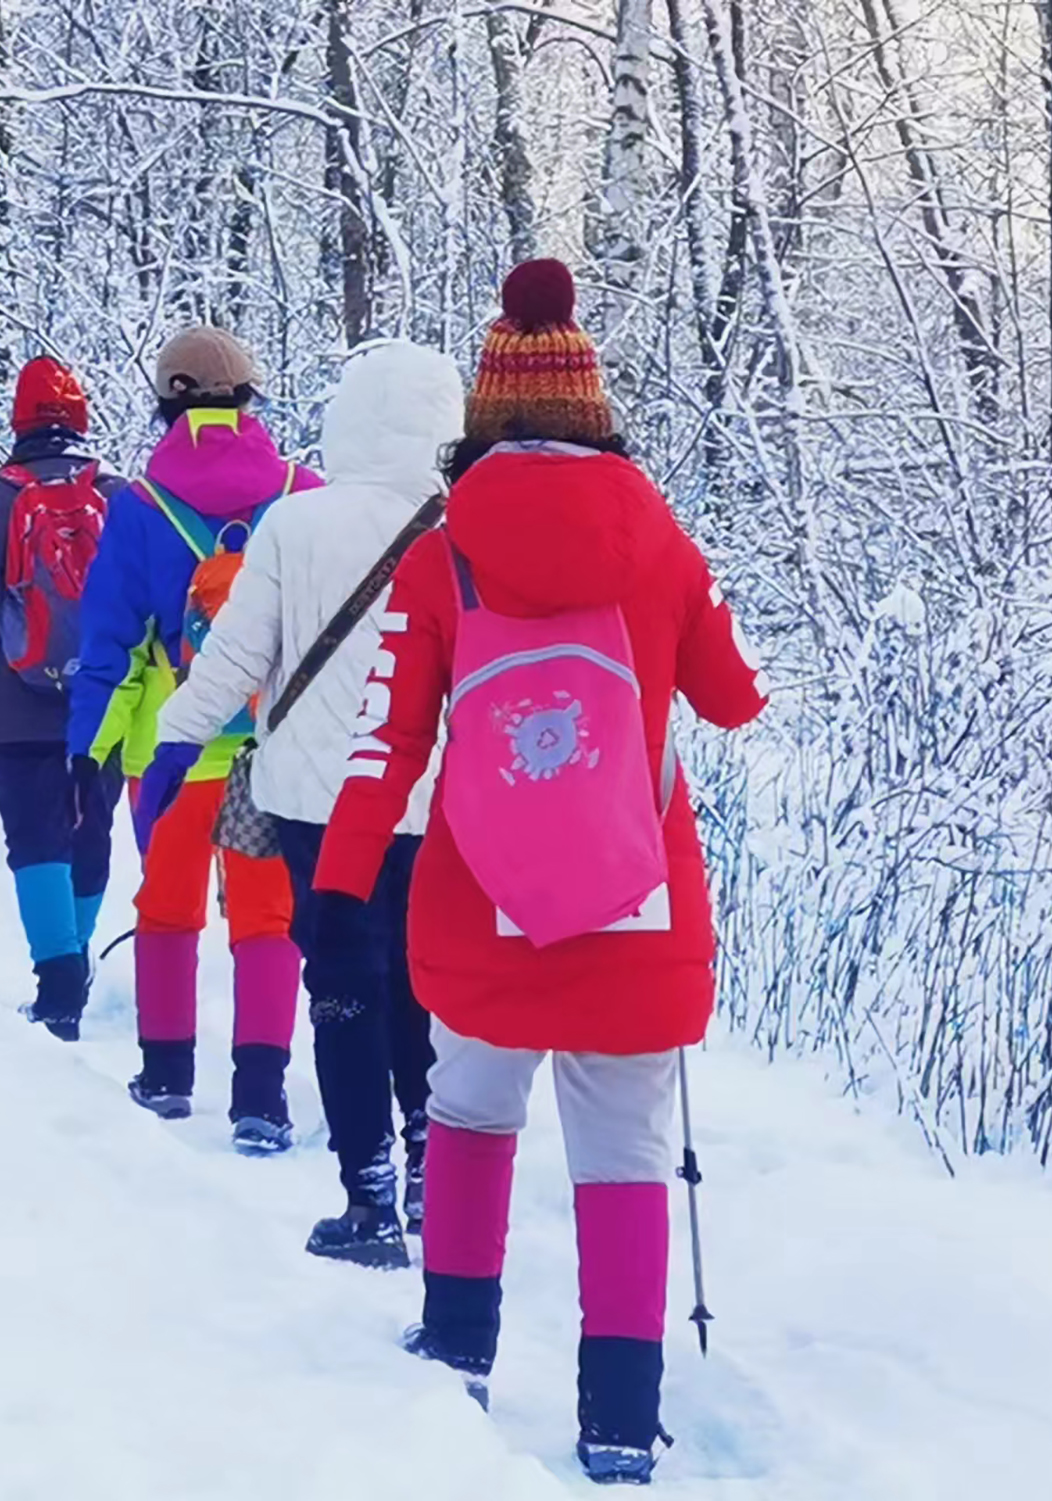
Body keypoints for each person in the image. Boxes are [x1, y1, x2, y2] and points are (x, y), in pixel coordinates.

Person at [312, 260, 768, 1484]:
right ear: (592, 408)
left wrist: (341, 881)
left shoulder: (440, 555)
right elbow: (731, 702)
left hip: (481, 901)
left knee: (466, 1114)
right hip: (639, 902)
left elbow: (385, 741)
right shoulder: (660, 542)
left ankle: (456, 1350)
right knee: (622, 1156)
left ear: (483, 415)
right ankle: (617, 1416)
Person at [144, 341, 463, 1265]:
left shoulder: (295, 524)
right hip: (428, 802)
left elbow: (237, 658)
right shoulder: (461, 526)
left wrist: (175, 740)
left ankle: (367, 1201)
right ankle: (428, 1165)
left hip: (318, 806)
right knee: (418, 987)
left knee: (343, 990)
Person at [66, 326, 320, 1154]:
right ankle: (261, 1098)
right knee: (268, 918)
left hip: (168, 750)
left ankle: (168, 1075)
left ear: (168, 404)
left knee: (168, 910)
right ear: (249, 400)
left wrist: (87, 748)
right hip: (272, 750)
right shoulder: (302, 493)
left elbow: (109, 639)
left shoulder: (139, 506)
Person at [0, 358, 123, 1039]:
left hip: (13, 703)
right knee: (90, 827)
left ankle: (57, 976)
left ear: (18, 420)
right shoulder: (120, 497)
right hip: (107, 700)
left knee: (35, 837)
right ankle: (77, 957)